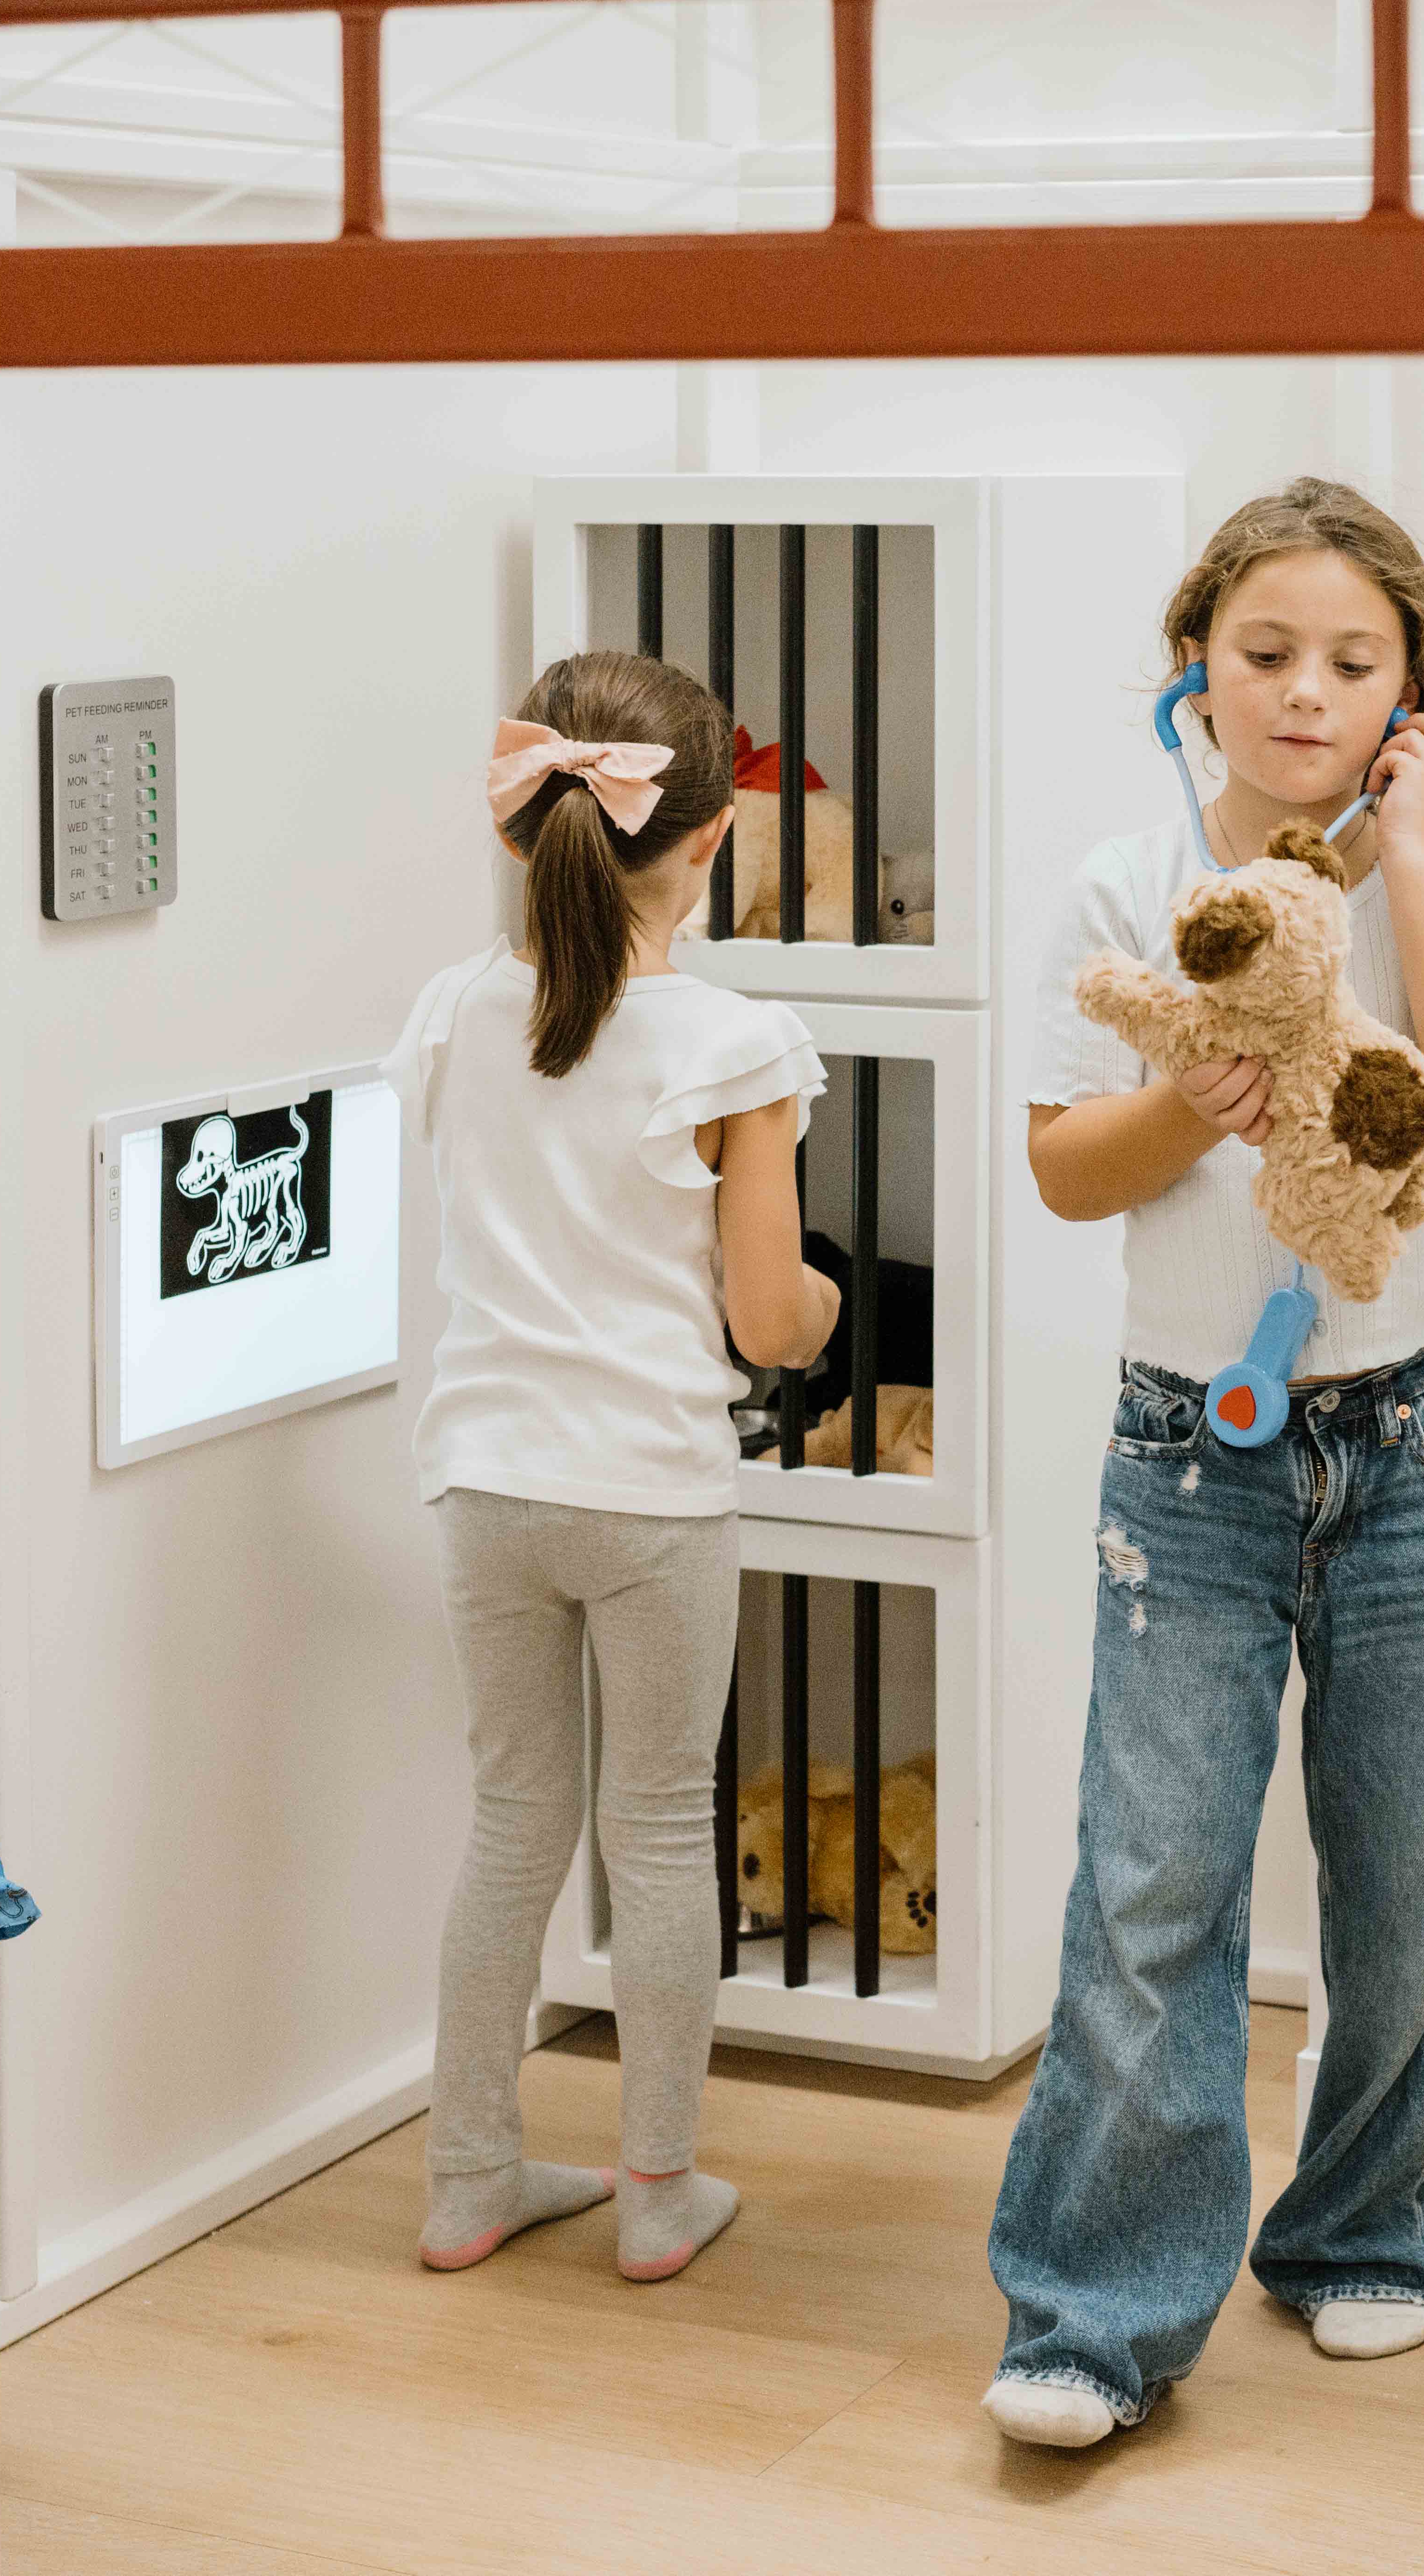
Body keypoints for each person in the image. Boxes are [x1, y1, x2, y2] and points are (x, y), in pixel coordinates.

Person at [984, 478, 1424, 2445]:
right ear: (1195, 670)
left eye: (1350, 661)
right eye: (1264, 654)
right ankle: (1092, 2310)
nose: (1302, 690)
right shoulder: (1116, 882)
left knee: (1412, 1865)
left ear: (1409, 694)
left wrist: (1408, 852)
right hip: (1191, 1452)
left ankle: (1375, 2237)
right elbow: (1067, 1171)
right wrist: (1185, 1104)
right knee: (1150, 1883)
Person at [389, 649, 840, 2283]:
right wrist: (838, 1302)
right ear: (710, 842)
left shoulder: (453, 1009)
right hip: (650, 1490)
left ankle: (466, 2178)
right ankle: (656, 2190)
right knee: (655, 1829)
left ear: (525, 832)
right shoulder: (736, 1041)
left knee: (513, 1822)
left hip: (485, 1479)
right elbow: (773, 1316)